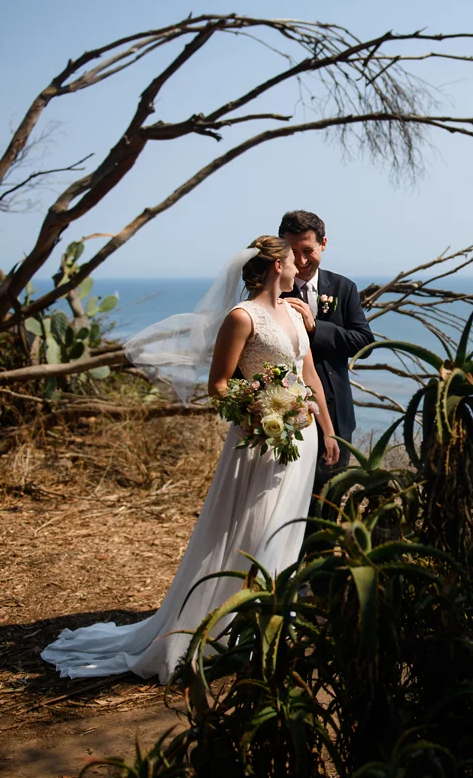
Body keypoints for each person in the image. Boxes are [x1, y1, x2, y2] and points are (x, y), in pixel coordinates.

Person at [41, 236, 340, 684]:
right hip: (261, 439)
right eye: (292, 259)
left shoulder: (297, 312)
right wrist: (261, 410)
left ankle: (267, 630)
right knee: (252, 528)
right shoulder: (242, 317)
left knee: (287, 531)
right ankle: (223, 627)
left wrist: (328, 430)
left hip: (302, 440)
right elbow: (219, 384)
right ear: (276, 264)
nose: (301, 264)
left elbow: (309, 374)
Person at [276, 210, 373, 502]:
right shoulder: (272, 290)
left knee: (330, 500)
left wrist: (316, 328)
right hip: (288, 415)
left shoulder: (344, 288)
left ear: (324, 244)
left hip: (338, 415)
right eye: (293, 253)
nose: (302, 262)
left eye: (308, 251)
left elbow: (364, 342)